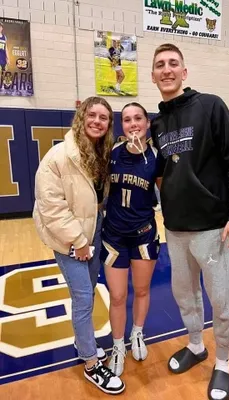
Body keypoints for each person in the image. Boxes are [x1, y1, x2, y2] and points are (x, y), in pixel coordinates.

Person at [150, 43, 229, 400]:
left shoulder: (210, 106)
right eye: (160, 65)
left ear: (184, 71)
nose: (167, 70)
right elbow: (160, 173)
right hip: (175, 229)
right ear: (152, 75)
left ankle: (222, 362)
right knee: (185, 297)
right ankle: (196, 345)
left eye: (173, 63)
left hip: (212, 227)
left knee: (220, 300)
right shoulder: (157, 122)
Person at [33, 96, 125, 395]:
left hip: (94, 229)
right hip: (69, 237)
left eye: (104, 118)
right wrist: (79, 241)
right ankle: (90, 363)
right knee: (84, 298)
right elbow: (51, 207)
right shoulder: (58, 156)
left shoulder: (101, 153)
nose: (97, 121)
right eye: (93, 115)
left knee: (88, 289)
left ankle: (81, 342)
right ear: (81, 117)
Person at [101, 102, 161, 377]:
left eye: (138, 118)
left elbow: (169, 194)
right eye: (127, 119)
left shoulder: (157, 157)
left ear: (147, 123)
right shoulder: (111, 153)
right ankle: (117, 346)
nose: (133, 123)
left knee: (142, 290)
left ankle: (137, 333)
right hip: (113, 237)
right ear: (121, 125)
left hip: (144, 236)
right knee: (117, 296)